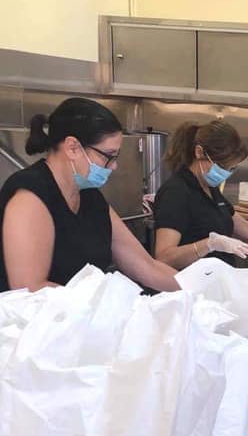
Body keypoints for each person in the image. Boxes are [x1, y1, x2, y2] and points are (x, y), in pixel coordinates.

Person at [0, 98, 179, 293]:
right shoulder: (30, 198)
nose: (114, 166)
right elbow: (29, 289)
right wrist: (104, 303)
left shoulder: (90, 197)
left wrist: (196, 290)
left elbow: (146, 266)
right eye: (108, 156)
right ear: (72, 148)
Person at [153, 120, 248, 270]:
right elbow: (164, 258)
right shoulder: (176, 192)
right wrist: (208, 245)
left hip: (217, 278)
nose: (225, 173)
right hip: (191, 282)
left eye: (231, 169)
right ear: (199, 152)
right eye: (222, 166)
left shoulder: (209, 188)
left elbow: (247, 229)